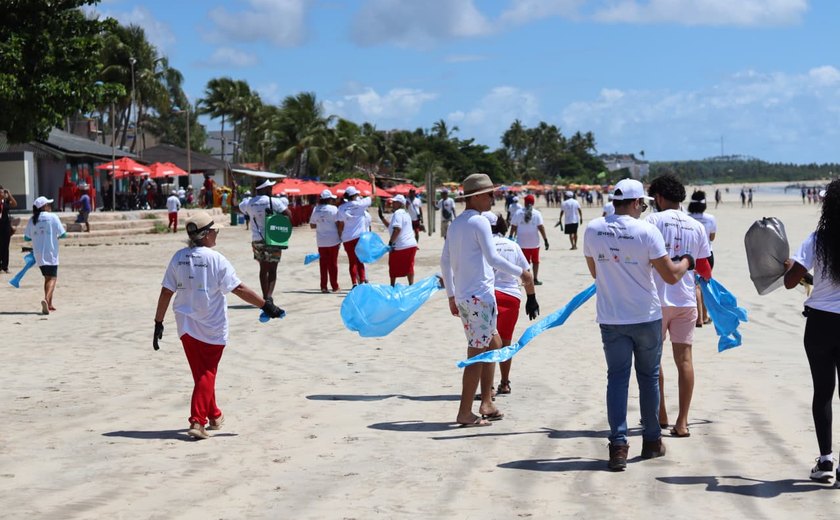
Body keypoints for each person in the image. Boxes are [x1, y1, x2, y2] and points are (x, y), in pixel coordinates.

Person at [583, 178, 693, 471]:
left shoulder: (593, 229)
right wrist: (686, 262)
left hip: (611, 316)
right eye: (642, 203)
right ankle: (652, 441)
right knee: (648, 378)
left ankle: (618, 445)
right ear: (634, 203)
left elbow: (595, 271)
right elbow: (670, 275)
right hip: (645, 315)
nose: (644, 207)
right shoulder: (647, 230)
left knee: (617, 379)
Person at [153, 212, 284, 440]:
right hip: (212, 326)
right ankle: (197, 421)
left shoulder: (179, 257)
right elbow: (239, 289)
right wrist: (266, 306)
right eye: (215, 231)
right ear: (206, 234)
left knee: (202, 375)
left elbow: (166, 291)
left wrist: (158, 322)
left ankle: (214, 415)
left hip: (185, 325)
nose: (217, 234)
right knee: (206, 373)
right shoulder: (216, 259)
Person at [440, 173, 536, 427]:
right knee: (477, 354)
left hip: (465, 296)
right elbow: (493, 258)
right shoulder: (479, 222)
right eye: (491, 194)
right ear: (478, 196)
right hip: (479, 296)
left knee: (493, 343)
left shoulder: (457, 224)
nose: (494, 199)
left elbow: (445, 261)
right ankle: (465, 411)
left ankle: (487, 401)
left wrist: (451, 295)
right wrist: (523, 273)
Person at [645, 175, 711, 439]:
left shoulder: (651, 221)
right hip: (685, 299)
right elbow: (705, 266)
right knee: (685, 360)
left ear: (659, 198)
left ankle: (660, 412)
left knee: (653, 360)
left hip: (655, 300)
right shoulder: (696, 226)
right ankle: (682, 422)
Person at [783, 178, 840, 483]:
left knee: (823, 393)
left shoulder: (817, 239)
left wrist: (794, 268)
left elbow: (791, 281)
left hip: (819, 323)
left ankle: (826, 461)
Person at [481, 211, 538, 395]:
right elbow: (526, 274)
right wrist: (532, 298)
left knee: (486, 342)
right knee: (506, 341)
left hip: (487, 295)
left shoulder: (482, 245)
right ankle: (504, 383)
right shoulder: (513, 246)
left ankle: (488, 388)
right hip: (511, 297)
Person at [239, 180, 291, 304]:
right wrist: (283, 230)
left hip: (257, 239)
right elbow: (288, 214)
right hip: (273, 238)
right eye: (270, 187)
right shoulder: (274, 202)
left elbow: (237, 207)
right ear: (265, 188)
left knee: (263, 269)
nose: (271, 188)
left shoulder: (249, 203)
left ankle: (264, 297)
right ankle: (269, 296)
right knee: (273, 269)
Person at [23, 196, 67, 315]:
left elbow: (26, 237)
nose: (49, 206)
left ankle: (50, 304)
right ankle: (46, 300)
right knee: (52, 278)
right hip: (51, 252)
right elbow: (63, 234)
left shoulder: (32, 219)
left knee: (47, 278)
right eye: (48, 204)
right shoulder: (53, 217)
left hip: (38, 254)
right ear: (44, 207)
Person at [687, 191, 717, 327]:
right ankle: (703, 316)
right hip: (707, 255)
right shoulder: (710, 218)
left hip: (691, 255)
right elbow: (712, 238)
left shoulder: (687, 217)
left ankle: (699, 316)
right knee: (704, 285)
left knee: (694, 286)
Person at [337, 179, 373, 287]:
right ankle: (362, 281)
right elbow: (373, 195)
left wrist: (340, 237)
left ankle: (354, 283)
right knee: (360, 260)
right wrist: (373, 182)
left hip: (347, 238)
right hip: (359, 237)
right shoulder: (361, 204)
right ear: (355, 195)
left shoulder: (341, 208)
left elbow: (340, 225)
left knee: (351, 261)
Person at [378, 194, 417, 286]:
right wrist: (382, 217)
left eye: (395, 202)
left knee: (393, 266)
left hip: (401, 245)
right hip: (412, 244)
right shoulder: (406, 213)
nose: (392, 203)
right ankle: (411, 285)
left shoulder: (397, 213)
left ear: (400, 203)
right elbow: (391, 227)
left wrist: (391, 243)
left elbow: (397, 229)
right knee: (409, 266)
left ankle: (392, 286)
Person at [509, 194, 548, 285]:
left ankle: (526, 280)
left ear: (525, 202)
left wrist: (510, 237)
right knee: (535, 261)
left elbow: (513, 226)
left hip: (522, 243)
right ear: (533, 203)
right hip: (534, 243)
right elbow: (541, 227)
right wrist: (545, 240)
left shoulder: (518, 213)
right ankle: (535, 279)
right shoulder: (537, 213)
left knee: (524, 262)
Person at [309, 189, 341, 293]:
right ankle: (335, 286)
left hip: (321, 241)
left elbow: (312, 225)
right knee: (333, 264)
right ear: (329, 199)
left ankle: (323, 286)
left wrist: (321, 222)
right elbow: (338, 224)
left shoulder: (316, 209)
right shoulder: (334, 209)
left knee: (323, 264)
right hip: (333, 240)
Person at [0, 185, 18, 272]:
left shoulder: (6, 201)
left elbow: (15, 204)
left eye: (3, 192)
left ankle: (5, 266)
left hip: (5, 225)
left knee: (5, 246)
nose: (2, 193)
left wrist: (9, 194)